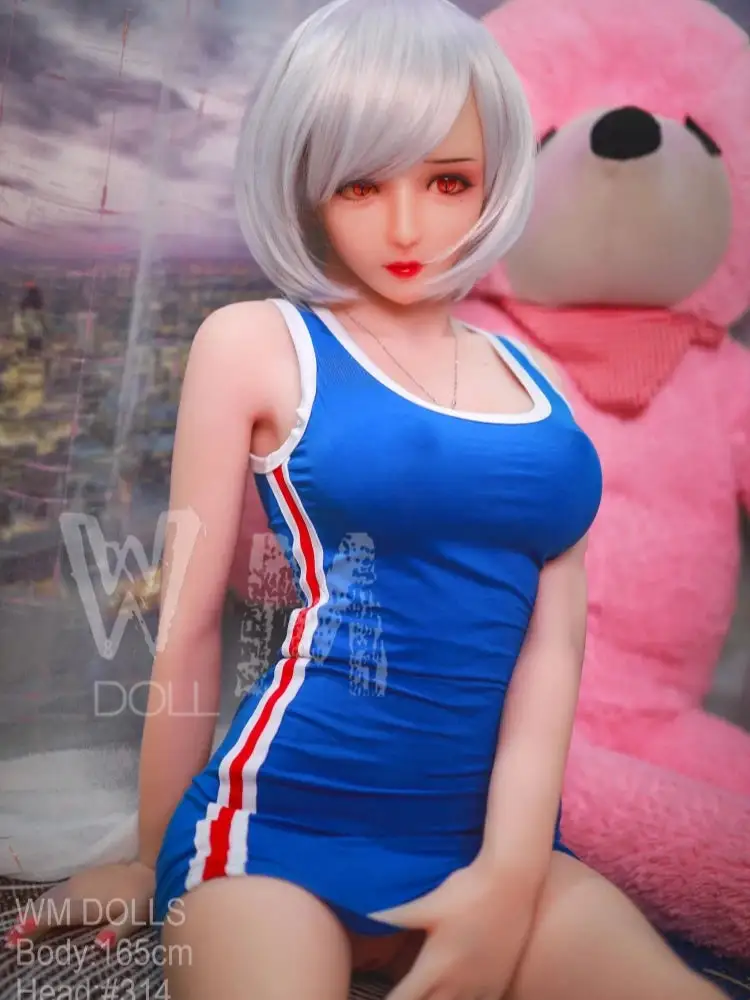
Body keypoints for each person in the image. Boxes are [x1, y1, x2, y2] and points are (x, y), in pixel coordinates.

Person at [4, 1, 725, 998]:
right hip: (275, 837)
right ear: (308, 184)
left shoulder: (538, 379)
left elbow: (552, 653)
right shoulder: (256, 343)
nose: (405, 226)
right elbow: (190, 626)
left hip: (483, 846)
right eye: (360, 182)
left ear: (495, 177)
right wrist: (145, 855)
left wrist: (510, 879)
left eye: (447, 181)